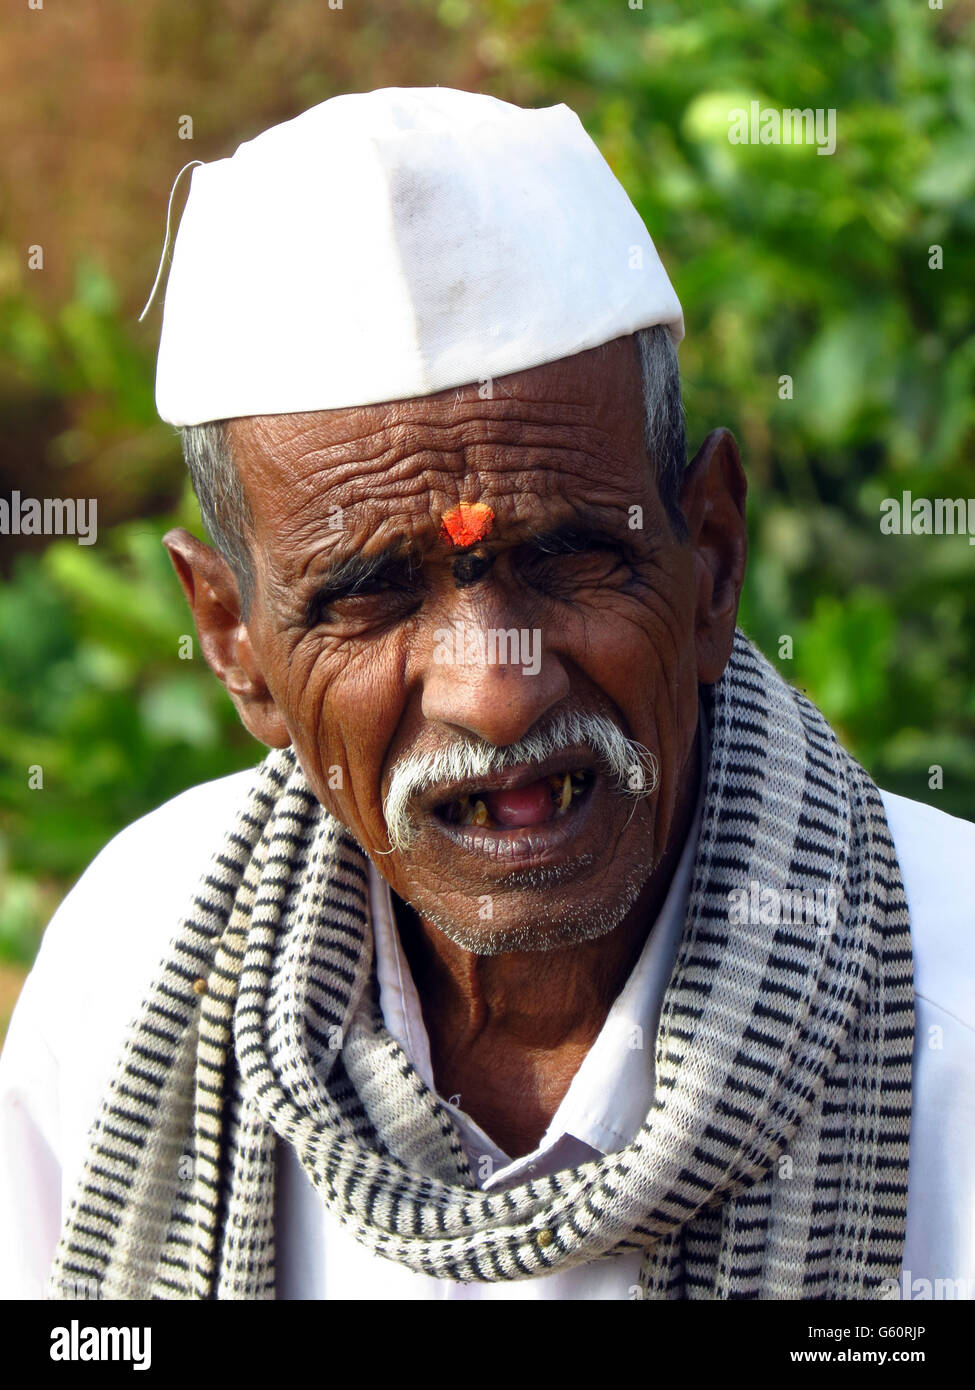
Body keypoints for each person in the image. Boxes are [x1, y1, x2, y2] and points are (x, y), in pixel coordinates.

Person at [1, 87, 973, 1302]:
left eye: (568, 555)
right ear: (234, 640)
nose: (497, 698)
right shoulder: (132, 973)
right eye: (370, 591)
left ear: (713, 554)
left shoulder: (951, 1017)